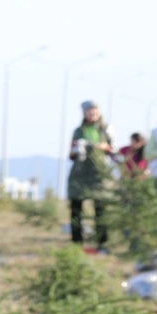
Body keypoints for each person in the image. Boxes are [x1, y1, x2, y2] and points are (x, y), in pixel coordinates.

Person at [67, 101, 115, 250]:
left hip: (99, 174)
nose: (92, 113)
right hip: (80, 172)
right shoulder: (78, 131)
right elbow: (71, 153)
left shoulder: (106, 129)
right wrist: (77, 150)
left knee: (101, 209)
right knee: (76, 208)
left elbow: (113, 149)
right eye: (89, 110)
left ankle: (102, 243)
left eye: (94, 110)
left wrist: (98, 146)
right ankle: (76, 243)